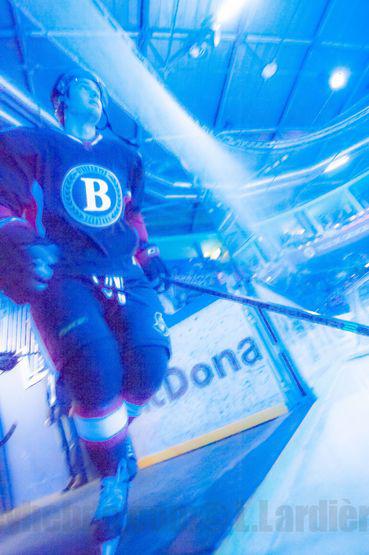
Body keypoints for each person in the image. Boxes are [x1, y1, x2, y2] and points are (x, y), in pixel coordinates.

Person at [0, 69, 171, 547]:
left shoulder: (125, 156)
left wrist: (148, 252)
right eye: (85, 88)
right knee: (96, 374)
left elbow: (131, 212)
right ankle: (113, 476)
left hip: (122, 268)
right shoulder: (32, 145)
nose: (96, 93)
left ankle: (113, 440)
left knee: (152, 360)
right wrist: (11, 236)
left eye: (100, 89)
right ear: (61, 100)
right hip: (64, 275)